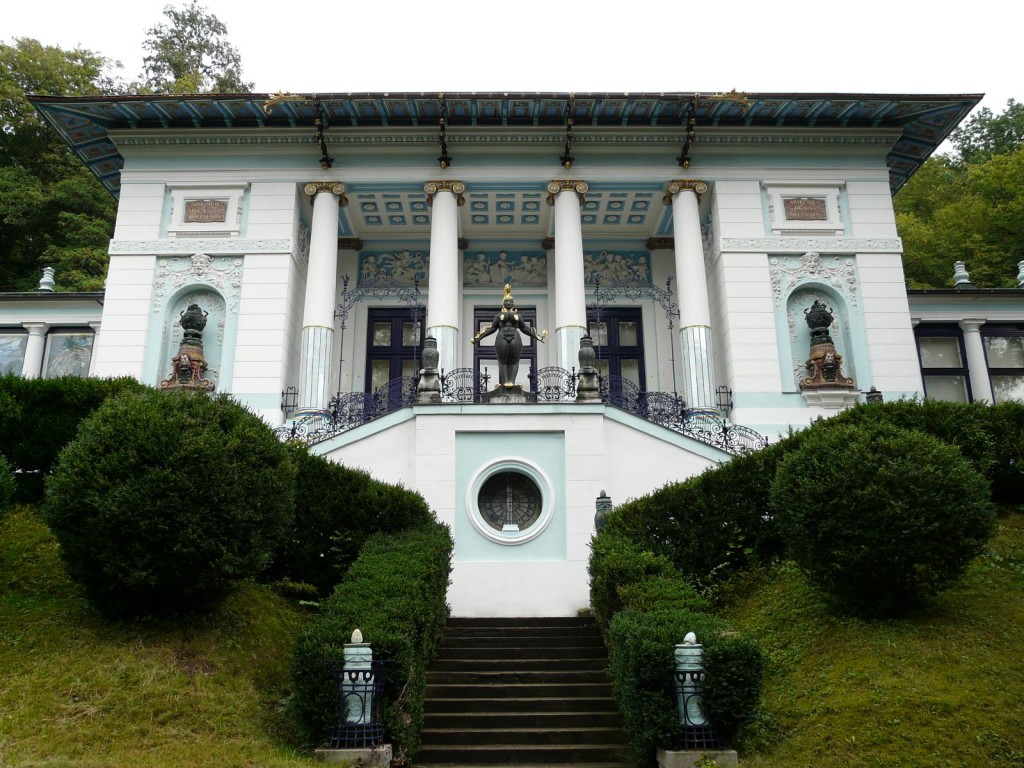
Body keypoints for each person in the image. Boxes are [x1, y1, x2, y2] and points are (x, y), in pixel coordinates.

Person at [471, 284, 547, 388]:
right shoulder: (498, 316)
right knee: (502, 361)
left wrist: (537, 336)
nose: (508, 303)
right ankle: (505, 382)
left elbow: (524, 328)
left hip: (515, 336)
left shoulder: (518, 316)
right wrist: (479, 337)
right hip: (502, 337)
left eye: (510, 301)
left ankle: (512, 382)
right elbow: (492, 328)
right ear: (503, 303)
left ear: (513, 303)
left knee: (514, 360)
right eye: (506, 301)